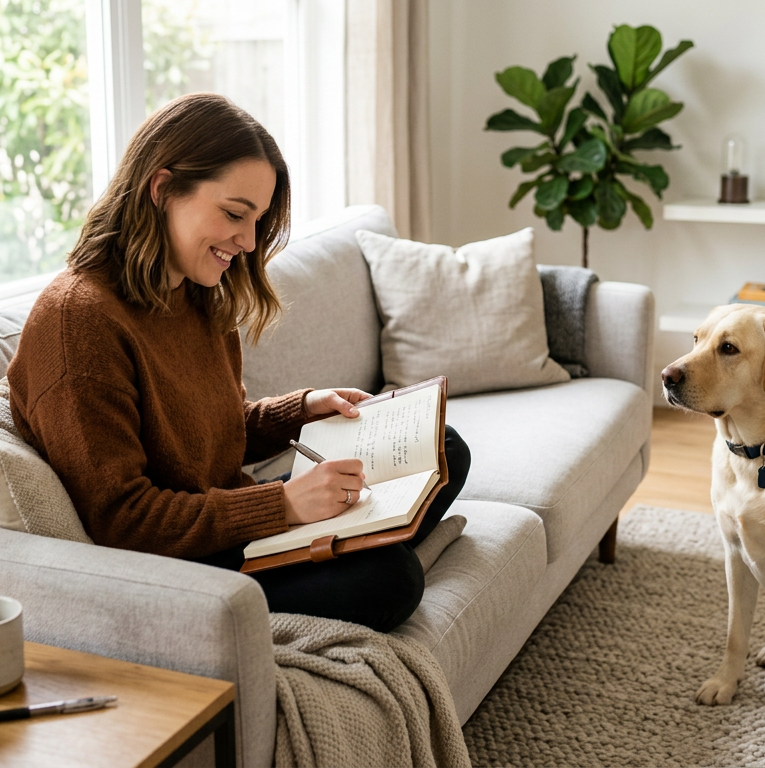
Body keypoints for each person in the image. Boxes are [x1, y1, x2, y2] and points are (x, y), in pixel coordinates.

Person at [6, 93, 470, 633]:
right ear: (162, 189)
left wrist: (304, 410)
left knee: (443, 446)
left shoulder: (194, 290)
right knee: (392, 579)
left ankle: (360, 540)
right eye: (234, 214)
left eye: (258, 221)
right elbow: (122, 520)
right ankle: (368, 546)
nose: (248, 243)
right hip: (183, 561)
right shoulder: (77, 323)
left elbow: (214, 432)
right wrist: (284, 507)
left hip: (231, 521)